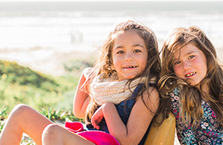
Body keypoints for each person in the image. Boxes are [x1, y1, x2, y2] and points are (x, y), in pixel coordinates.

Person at [0, 20, 170, 145]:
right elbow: (80, 111)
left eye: (137, 50)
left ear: (150, 57)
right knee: (21, 112)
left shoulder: (147, 92)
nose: (128, 57)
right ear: (110, 58)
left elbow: (127, 142)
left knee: (53, 132)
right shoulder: (108, 87)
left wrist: (108, 108)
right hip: (88, 138)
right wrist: (86, 76)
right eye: (120, 51)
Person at [157, 26, 223, 145]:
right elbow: (188, 140)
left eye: (191, 57)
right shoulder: (179, 97)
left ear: (207, 54)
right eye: (177, 62)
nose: (186, 66)